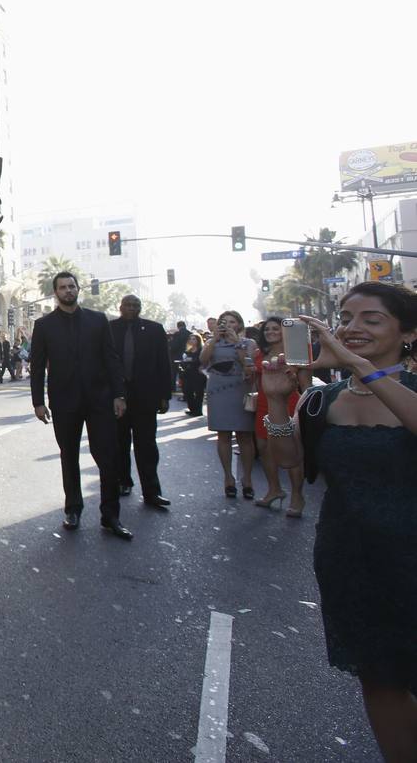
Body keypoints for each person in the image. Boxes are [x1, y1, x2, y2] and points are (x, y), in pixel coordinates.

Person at [260, 282, 417, 761]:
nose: (352, 328)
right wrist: (280, 402)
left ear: (407, 333)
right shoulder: (322, 400)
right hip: (352, 559)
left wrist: (361, 369)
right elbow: (292, 463)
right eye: (346, 317)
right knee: (381, 680)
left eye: (371, 319)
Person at [30, 272, 131, 538]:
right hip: (64, 402)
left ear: (78, 289)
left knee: (108, 458)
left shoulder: (97, 320)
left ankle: (111, 516)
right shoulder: (44, 326)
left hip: (100, 400)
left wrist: (119, 394)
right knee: (69, 456)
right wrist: (38, 402)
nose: (67, 290)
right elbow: (37, 366)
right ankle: (72, 509)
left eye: (71, 286)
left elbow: (111, 359)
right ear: (56, 293)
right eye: (62, 287)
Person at [109, 295, 173, 508]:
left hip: (146, 398)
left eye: (136, 305)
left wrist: (165, 395)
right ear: (120, 307)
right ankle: (123, 481)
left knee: (146, 445)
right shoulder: (109, 329)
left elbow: (164, 363)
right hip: (117, 397)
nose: (131, 308)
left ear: (140, 308)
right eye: (128, 305)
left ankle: (152, 491)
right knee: (119, 443)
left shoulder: (154, 329)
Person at [252, 316, 311, 516]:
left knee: (293, 451)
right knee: (264, 448)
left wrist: (306, 407)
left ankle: (297, 496)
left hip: (289, 402)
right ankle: (274, 489)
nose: (270, 332)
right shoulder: (260, 353)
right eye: (267, 329)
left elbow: (306, 385)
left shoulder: (297, 352)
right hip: (263, 404)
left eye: (275, 328)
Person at [200, 310, 258, 498]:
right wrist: (214, 340)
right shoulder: (211, 341)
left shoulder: (248, 343)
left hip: (241, 390)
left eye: (232, 322)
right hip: (218, 391)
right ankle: (228, 478)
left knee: (245, 437)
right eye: (223, 322)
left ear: (239, 325)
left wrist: (236, 343)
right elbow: (202, 360)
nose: (228, 325)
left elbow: (248, 363)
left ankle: (247, 479)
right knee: (222, 435)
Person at [180, 333, 207, 416]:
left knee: (198, 392)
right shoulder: (187, 351)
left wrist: (191, 361)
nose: (192, 341)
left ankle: (198, 410)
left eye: (194, 339)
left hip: (198, 374)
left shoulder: (201, 350)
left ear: (198, 340)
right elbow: (183, 361)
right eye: (190, 339)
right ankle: (192, 408)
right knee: (188, 392)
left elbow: (201, 360)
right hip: (188, 373)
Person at [168, 321, 191, 394]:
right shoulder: (190, 334)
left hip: (176, 356)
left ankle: (173, 388)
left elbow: (174, 345)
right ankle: (186, 387)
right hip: (188, 356)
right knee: (186, 373)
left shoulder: (177, 334)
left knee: (174, 373)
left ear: (178, 326)